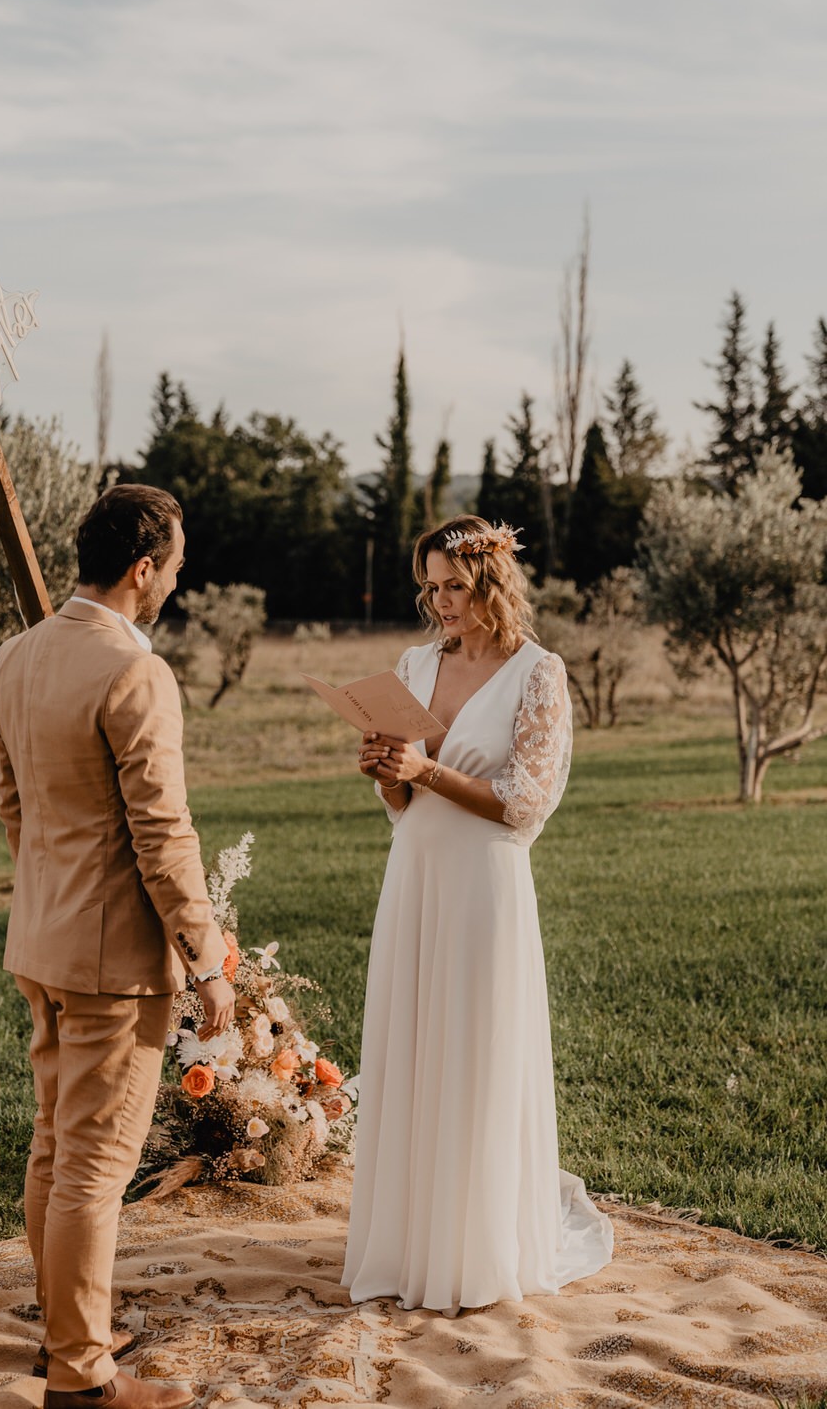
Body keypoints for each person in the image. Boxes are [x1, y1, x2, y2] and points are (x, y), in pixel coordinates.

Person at [0, 485, 235, 1409]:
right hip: (114, 965)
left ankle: (65, 1331)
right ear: (144, 569)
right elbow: (163, 834)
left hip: (41, 944)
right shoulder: (138, 672)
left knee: (54, 1149)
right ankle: (82, 1377)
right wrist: (206, 958)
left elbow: (17, 812)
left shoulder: (14, 658)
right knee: (93, 1167)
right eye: (175, 564)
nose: (178, 577)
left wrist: (53, 900)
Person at [341, 515, 613, 1316]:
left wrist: (426, 767)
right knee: (413, 1044)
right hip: (415, 873)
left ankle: (475, 1248)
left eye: (454, 586)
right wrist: (387, 770)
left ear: (492, 581)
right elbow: (399, 800)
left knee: (474, 1046)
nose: (440, 601)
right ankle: (408, 1243)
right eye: (430, 586)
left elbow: (524, 806)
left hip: (485, 884)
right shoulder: (413, 664)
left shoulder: (539, 672)